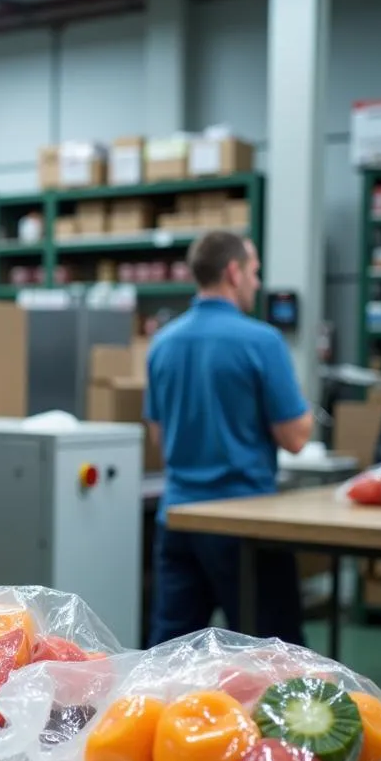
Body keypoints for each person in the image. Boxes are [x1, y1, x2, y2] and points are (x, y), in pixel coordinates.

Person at [144, 230, 314, 646]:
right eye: (255, 272)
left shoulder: (162, 343)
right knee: (272, 652)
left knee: (173, 653)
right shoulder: (262, 341)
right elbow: (295, 437)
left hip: (178, 519)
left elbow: (157, 438)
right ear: (234, 272)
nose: (258, 283)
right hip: (244, 525)